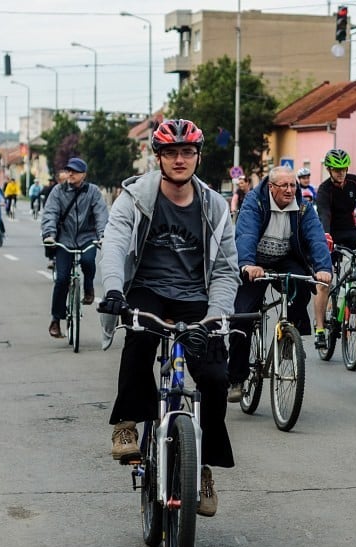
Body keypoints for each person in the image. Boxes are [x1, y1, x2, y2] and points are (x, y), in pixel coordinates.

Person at [98, 119, 239, 517]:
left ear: (197, 157)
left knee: (213, 377)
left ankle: (204, 467)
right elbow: (115, 242)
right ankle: (127, 421)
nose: (180, 159)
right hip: (148, 290)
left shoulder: (213, 205)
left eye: (188, 152)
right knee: (140, 340)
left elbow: (227, 269)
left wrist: (215, 317)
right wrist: (113, 290)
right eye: (171, 153)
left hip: (196, 299)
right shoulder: (135, 197)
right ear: (158, 157)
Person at [226, 165, 332, 401]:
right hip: (254, 262)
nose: (289, 189)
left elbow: (315, 236)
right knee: (242, 316)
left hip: (285, 259)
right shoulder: (256, 202)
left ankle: (289, 337)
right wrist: (247, 264)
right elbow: (246, 234)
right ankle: (236, 378)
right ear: (271, 187)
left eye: (293, 185)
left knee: (303, 285)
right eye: (284, 185)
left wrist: (323, 268)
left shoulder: (302, 206)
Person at [41, 157, 108, 339]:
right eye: (68, 170)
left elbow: (101, 214)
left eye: (75, 171)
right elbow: (50, 213)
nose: (70, 174)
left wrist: (103, 236)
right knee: (61, 279)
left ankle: (88, 288)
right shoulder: (58, 191)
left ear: (83, 175)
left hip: (87, 237)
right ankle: (56, 319)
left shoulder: (93, 191)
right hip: (64, 239)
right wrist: (49, 235)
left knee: (88, 261)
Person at [312, 149, 356, 349]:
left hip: (350, 231)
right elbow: (324, 214)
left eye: (343, 169)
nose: (341, 173)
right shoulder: (324, 190)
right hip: (330, 233)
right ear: (329, 170)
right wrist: (326, 236)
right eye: (336, 170)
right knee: (324, 281)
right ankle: (320, 329)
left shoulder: (354, 182)